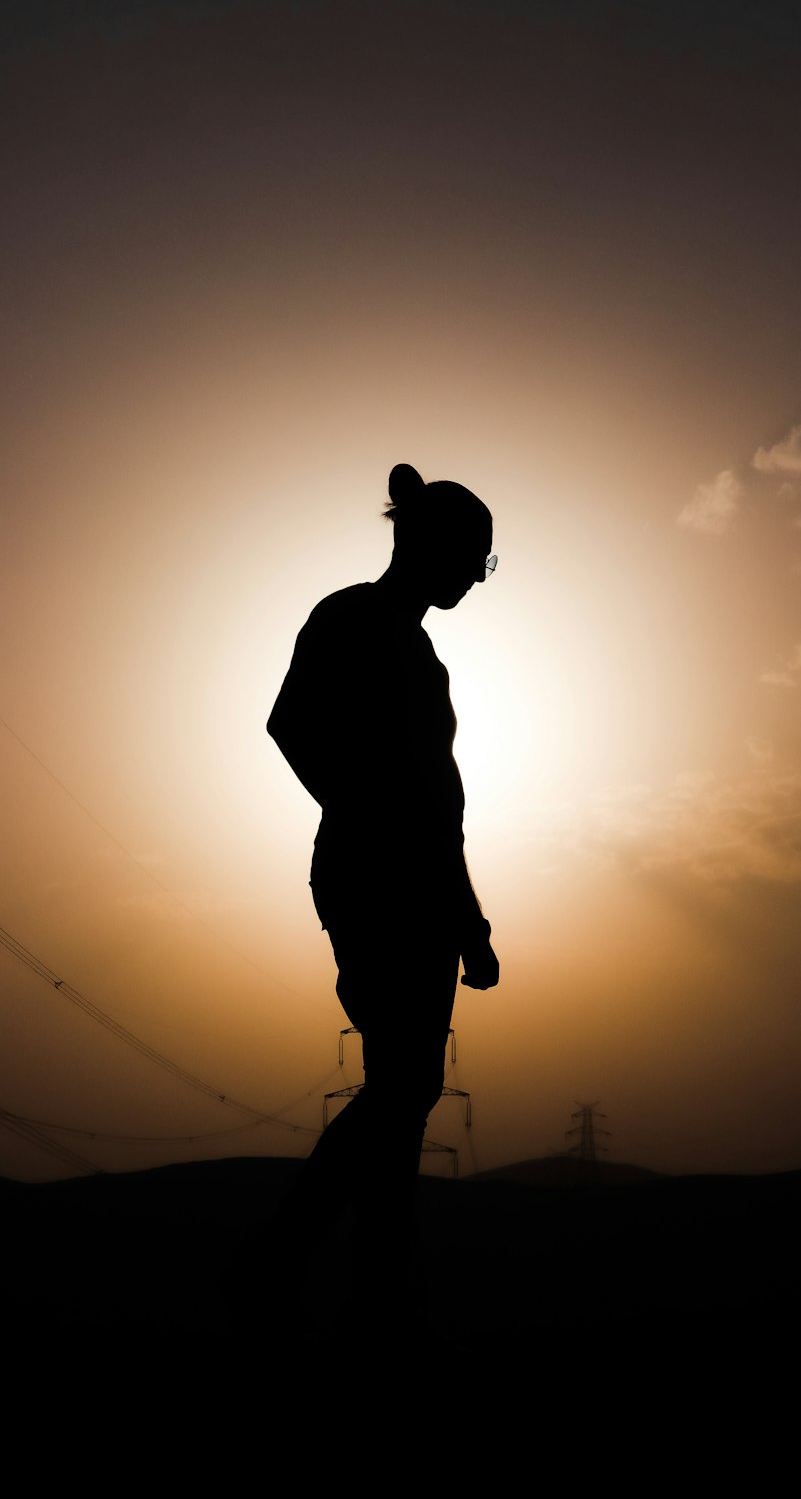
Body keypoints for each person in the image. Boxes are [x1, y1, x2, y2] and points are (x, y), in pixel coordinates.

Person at [265, 461, 499, 1315]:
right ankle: (277, 1263)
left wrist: (468, 919)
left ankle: (376, 1288)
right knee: (402, 1087)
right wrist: (366, 814)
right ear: (430, 546)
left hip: (427, 887)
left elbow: (441, 803)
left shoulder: (420, 649)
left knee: (407, 1093)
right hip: (376, 879)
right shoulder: (351, 617)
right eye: (475, 559)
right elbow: (290, 725)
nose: (476, 578)